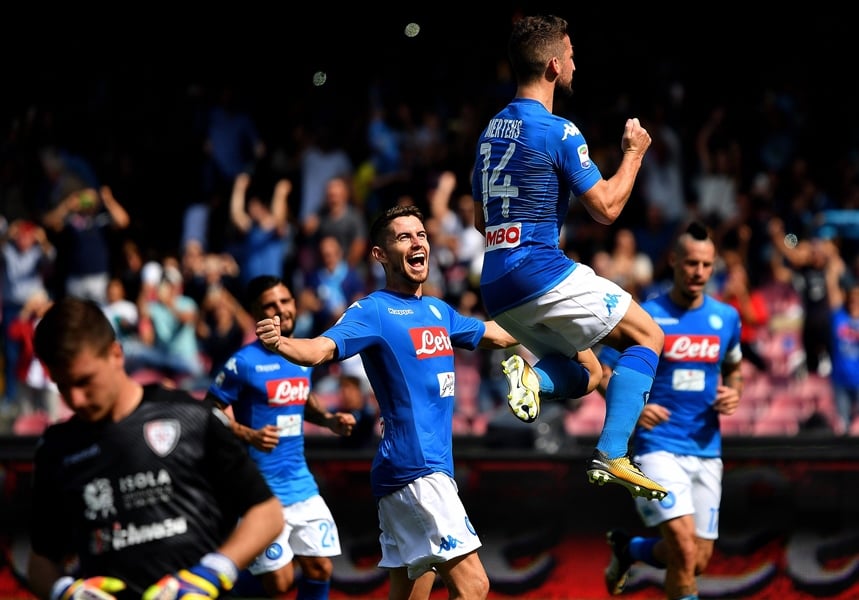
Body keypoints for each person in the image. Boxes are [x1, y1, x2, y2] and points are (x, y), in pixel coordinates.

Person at [256, 205, 601, 600]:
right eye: (403, 237)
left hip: (416, 472)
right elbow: (320, 349)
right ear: (380, 254)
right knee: (474, 587)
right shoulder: (374, 310)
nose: (417, 242)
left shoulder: (437, 310)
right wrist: (282, 343)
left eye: (420, 234)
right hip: (416, 469)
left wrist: (560, 320)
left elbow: (498, 334)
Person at [471, 13, 666, 500]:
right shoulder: (557, 130)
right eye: (573, 55)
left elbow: (480, 221)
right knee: (648, 334)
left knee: (591, 372)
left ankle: (532, 380)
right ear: (555, 65)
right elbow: (605, 208)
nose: (577, 63)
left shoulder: (490, 132)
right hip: (539, 271)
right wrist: (634, 153)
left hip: (496, 285)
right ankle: (614, 453)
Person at [26, 296, 284, 600]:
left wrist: (212, 573)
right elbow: (41, 559)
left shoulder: (192, 418)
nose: (75, 399)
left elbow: (267, 513)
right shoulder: (57, 450)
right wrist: (64, 592)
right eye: (62, 385)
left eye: (85, 381)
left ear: (116, 354)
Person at [599, 221, 743, 600]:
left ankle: (629, 549)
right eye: (691, 263)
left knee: (697, 560)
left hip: (707, 448)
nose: (699, 273)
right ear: (673, 260)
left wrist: (734, 392)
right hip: (656, 446)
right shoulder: (645, 316)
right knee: (682, 546)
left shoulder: (726, 318)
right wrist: (630, 411)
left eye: (707, 265)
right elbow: (602, 369)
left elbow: (733, 368)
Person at [204, 274, 356, 599]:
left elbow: (303, 399)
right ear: (256, 313)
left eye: (285, 301)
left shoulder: (302, 355)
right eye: (270, 305)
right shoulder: (242, 362)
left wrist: (328, 420)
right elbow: (209, 412)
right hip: (260, 491)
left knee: (321, 569)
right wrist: (248, 433)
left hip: (300, 482)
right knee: (279, 583)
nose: (281, 310)